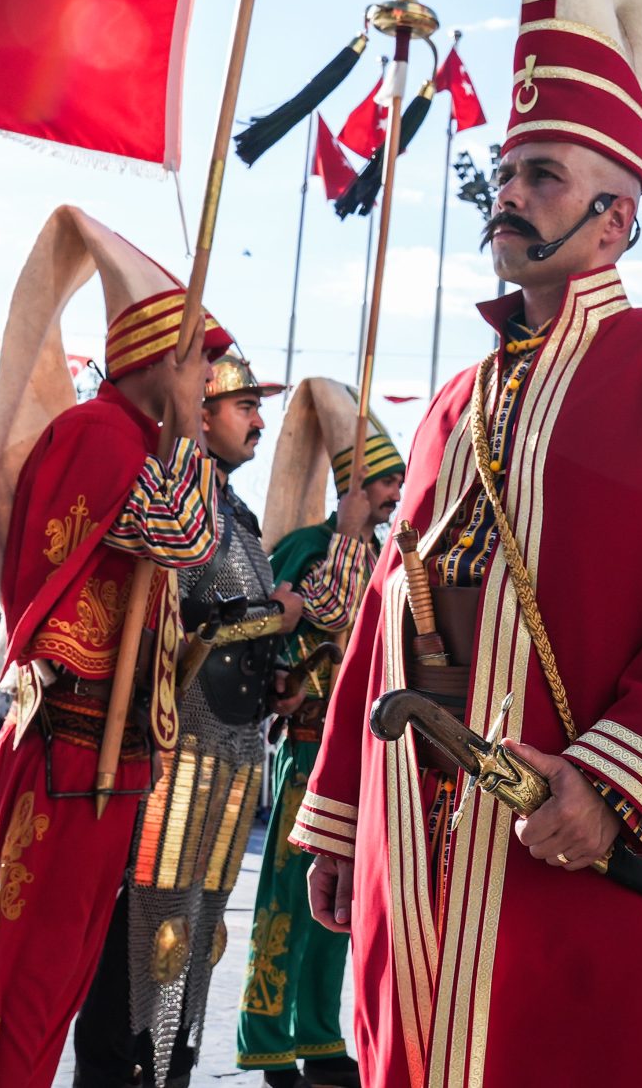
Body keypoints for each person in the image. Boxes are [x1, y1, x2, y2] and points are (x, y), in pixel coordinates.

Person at [288, 0, 642, 1088]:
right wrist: (344, 810)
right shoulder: (453, 396)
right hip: (417, 833)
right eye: (503, 171)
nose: (510, 193)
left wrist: (608, 779)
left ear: (618, 216)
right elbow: (389, 611)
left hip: (574, 839)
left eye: (541, 175)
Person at [0, 207, 228, 1088]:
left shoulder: (140, 443)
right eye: (200, 362)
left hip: (109, 760)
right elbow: (185, 538)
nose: (212, 381)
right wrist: (186, 432)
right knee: (22, 993)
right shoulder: (101, 438)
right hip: (70, 751)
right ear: (155, 361)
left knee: (57, 985)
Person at [76, 346, 296, 1088]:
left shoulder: (237, 514)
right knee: (152, 924)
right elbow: (180, 622)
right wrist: (277, 615)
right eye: (246, 407)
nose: (260, 422)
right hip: (177, 749)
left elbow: (239, 635)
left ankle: (171, 1068)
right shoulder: (176, 502)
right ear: (201, 413)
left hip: (233, 749)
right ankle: (119, 1070)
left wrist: (282, 677)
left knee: (201, 931)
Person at [238, 379, 404, 1087]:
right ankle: (268, 1037)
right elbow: (327, 617)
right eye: (386, 483)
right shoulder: (312, 545)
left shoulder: (394, 555)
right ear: (356, 488)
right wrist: (341, 535)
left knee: (344, 903)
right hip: (308, 743)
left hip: (365, 754)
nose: (397, 494)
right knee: (287, 897)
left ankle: (322, 1033)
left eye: (398, 482)